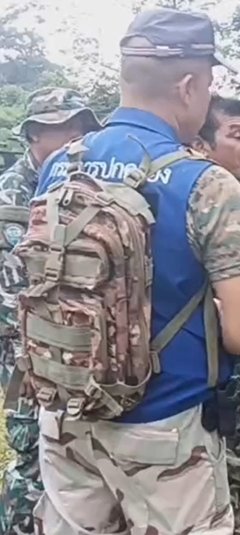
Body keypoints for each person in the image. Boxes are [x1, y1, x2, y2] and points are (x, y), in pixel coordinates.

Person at [28, 8, 240, 533]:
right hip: (165, 426)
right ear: (188, 87)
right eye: (208, 86)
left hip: (68, 411)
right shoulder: (204, 183)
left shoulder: (59, 165)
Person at [0, 87, 102, 535]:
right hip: (27, 352)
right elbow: (11, 295)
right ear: (34, 134)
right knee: (32, 454)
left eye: (82, 127)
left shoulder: (77, 186)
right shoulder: (12, 199)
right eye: (65, 126)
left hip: (76, 347)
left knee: (74, 451)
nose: (76, 136)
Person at [190, 94, 240, 535]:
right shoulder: (198, 198)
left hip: (231, 368)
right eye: (235, 135)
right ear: (201, 145)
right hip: (202, 372)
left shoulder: (238, 193)